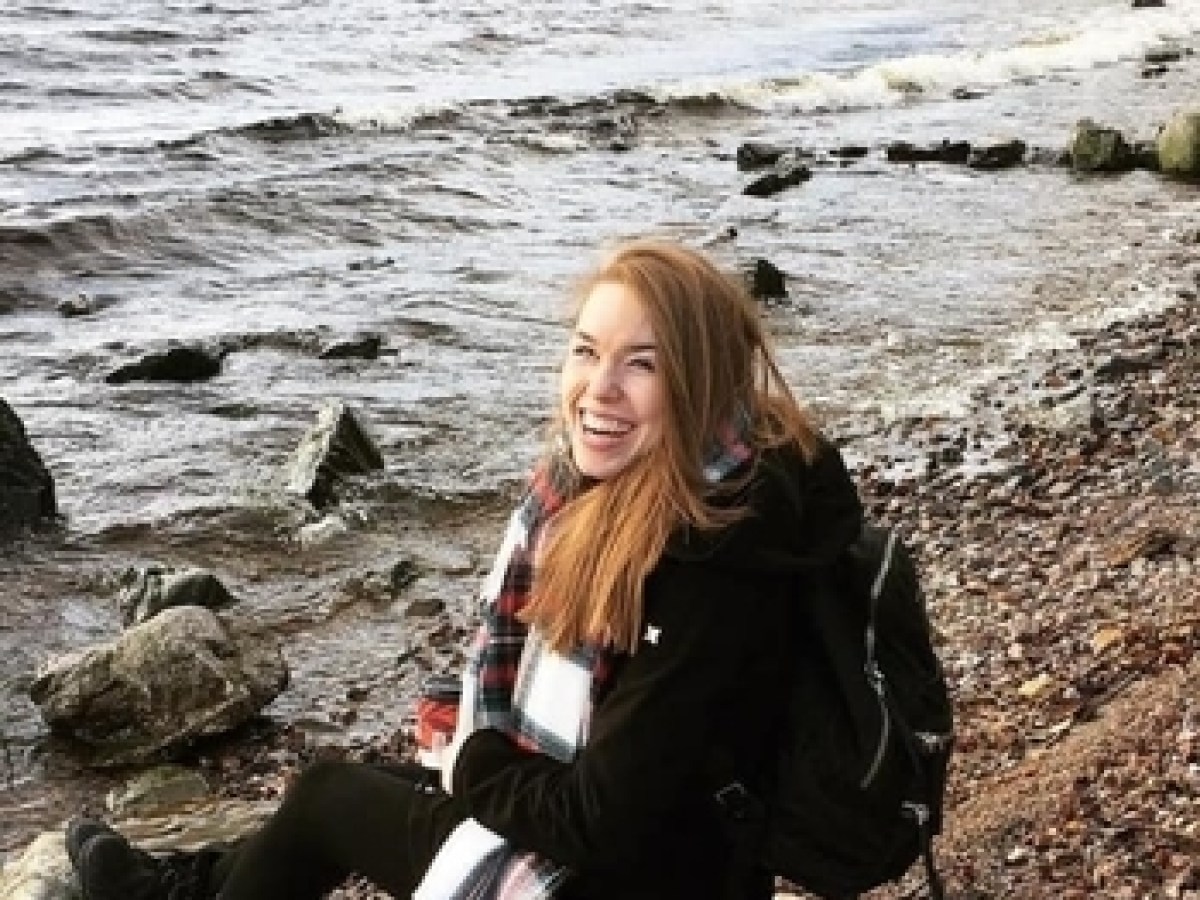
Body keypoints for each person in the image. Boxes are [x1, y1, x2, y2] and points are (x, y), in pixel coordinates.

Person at [65, 239, 863, 899]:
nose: (600, 389)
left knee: (328, 798)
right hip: (684, 844)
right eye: (587, 351)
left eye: (642, 366)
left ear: (699, 385)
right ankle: (195, 885)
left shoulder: (713, 556)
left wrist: (472, 759)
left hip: (648, 877)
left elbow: (599, 820)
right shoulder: (661, 492)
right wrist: (468, 741)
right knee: (384, 779)